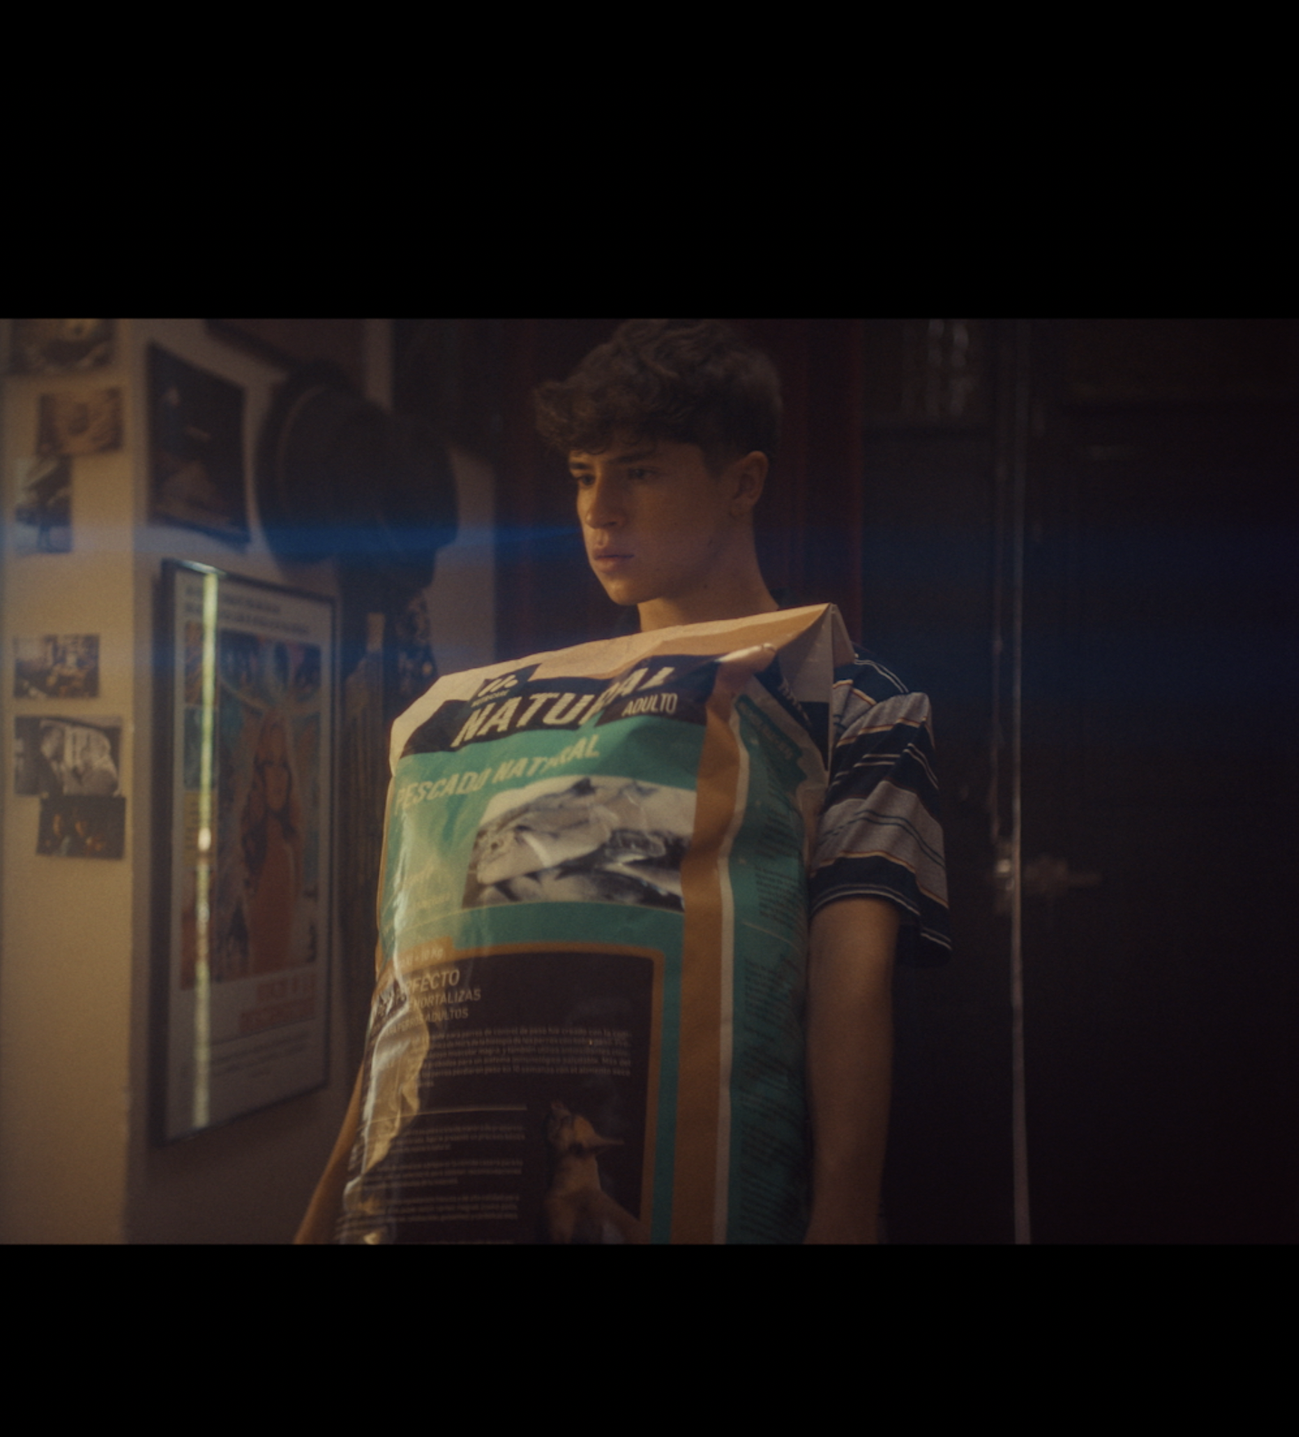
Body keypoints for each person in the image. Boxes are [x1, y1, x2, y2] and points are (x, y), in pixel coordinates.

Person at [298, 319, 949, 1243]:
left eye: (640, 471)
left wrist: (843, 1217)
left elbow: (853, 979)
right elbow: (422, 986)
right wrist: (329, 1207)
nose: (600, 510)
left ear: (743, 482)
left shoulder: (855, 702)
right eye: (581, 474)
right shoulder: (526, 709)